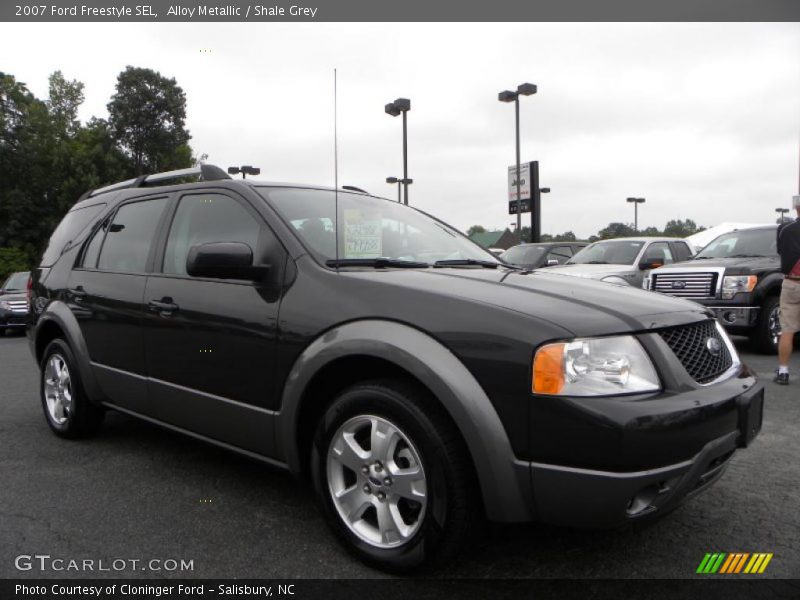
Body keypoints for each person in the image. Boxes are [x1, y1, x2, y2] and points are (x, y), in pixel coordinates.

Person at [775, 195, 800, 385]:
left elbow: (780, 251)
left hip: (792, 282)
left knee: (787, 330)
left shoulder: (785, 230)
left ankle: (783, 372)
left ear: (796, 208)